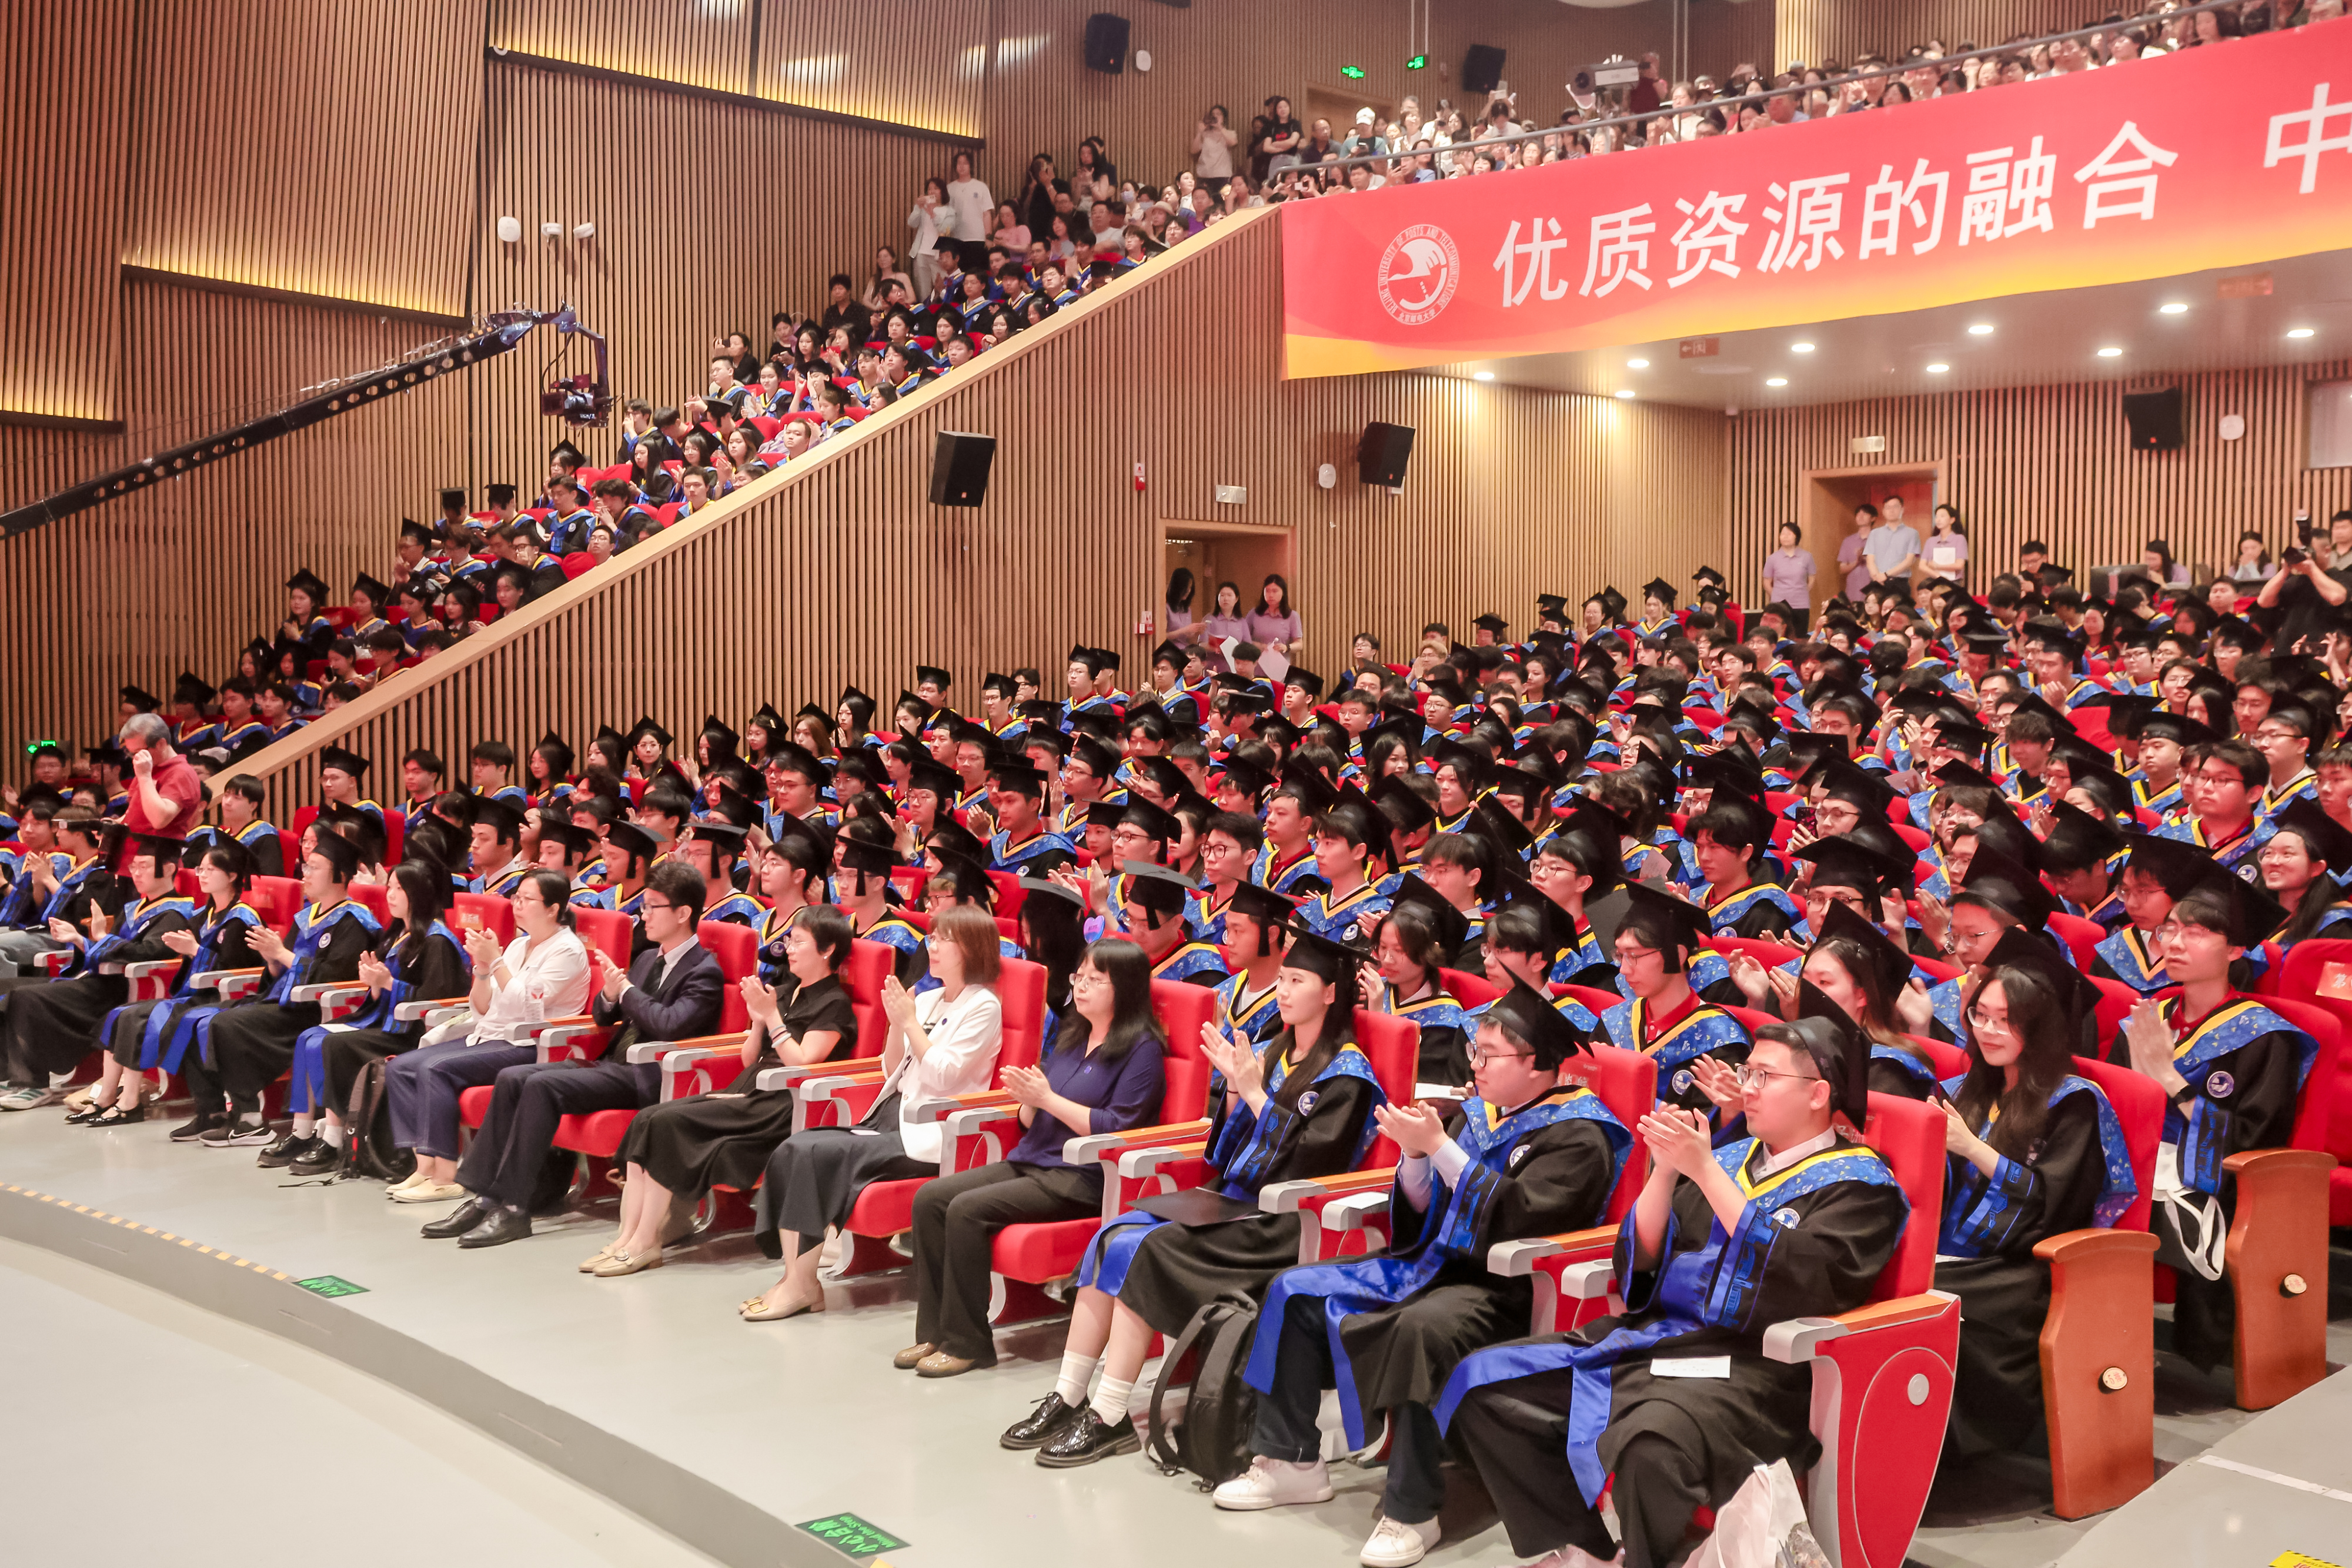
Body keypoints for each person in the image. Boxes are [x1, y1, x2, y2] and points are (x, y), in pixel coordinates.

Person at [1436, 1012, 1909, 1568]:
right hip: (1655, 1342)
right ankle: (1588, 1547)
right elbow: (1642, 1268)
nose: (1745, 1090)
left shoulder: (1862, 1186)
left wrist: (1704, 1171)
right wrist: (1662, 1173)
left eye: (1763, 1077)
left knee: (1650, 1446)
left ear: (1818, 1094)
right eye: (1747, 1072)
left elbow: (1802, 1281)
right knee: (1484, 1386)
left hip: (1753, 1370)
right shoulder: (1730, 1158)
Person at [1217, 976, 1627, 1568]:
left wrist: (1438, 1147)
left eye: (1489, 1055)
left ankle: (1412, 1510)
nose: (1476, 1065)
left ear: (1537, 1064)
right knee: (1294, 1289)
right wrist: (1414, 1155)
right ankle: (1288, 1461)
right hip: (1429, 1264)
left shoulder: (1579, 1135)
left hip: (1502, 1288)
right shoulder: (1479, 1115)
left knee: (1419, 1330)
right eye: (1473, 1051)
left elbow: (1518, 1218)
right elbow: (1418, 1213)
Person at [1004, 924, 1386, 1467]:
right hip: (1231, 1199)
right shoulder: (1276, 1052)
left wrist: (1252, 1091)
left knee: (1143, 1250)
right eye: (1281, 977)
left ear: (1329, 993)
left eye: (1297, 980)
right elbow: (1229, 1150)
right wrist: (1234, 1090)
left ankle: (1111, 1414)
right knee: (1113, 1233)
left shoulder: (1348, 1074)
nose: (1282, 989)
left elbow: (1310, 1167)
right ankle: (1069, 1394)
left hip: (1281, 1223)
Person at [898, 936, 1167, 1376]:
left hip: (1080, 1175)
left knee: (966, 1210)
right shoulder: (1072, 1035)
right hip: (1032, 1157)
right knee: (931, 1198)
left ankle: (969, 1343)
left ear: (1126, 987)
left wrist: (1047, 1098)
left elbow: (1118, 1127)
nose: (1080, 986)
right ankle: (935, 1331)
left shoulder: (1142, 1051)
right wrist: (1027, 1098)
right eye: (1079, 976)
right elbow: (1030, 1116)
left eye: (1095, 979)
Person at [425, 861, 723, 1248]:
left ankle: (515, 1209)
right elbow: (603, 1015)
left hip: (653, 1076)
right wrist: (612, 994)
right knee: (514, 1077)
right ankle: (485, 1197)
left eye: (653, 907)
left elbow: (669, 1024)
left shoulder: (705, 970)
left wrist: (627, 992)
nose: (644, 915)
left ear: (683, 913)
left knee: (542, 1084)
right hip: (614, 1063)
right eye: (644, 906)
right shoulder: (649, 957)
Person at [743, 904, 1005, 1317]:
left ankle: (800, 1284)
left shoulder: (984, 1006)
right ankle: (797, 1279)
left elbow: (943, 1075)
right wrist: (896, 1024)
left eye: (943, 940)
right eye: (931, 937)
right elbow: (891, 1067)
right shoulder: (930, 996)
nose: (931, 946)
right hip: (890, 1113)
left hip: (933, 1129)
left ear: (971, 948)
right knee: (797, 1145)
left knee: (816, 1153)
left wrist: (910, 1023)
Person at [1934, 934, 2136, 1459]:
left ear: (2039, 1026)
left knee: (1928, 1296)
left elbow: (2055, 1201)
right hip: (1957, 1249)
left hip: (2024, 1264)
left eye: (2007, 1020)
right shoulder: (1964, 1090)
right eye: (1981, 1016)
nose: (1990, 1031)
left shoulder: (2075, 1104)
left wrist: (1971, 1148)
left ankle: (1952, 1448)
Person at [586, 903, 861, 1278]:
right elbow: (751, 1059)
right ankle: (627, 1237)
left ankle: (645, 1243)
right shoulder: (783, 991)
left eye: (798, 942)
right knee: (648, 1119)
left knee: (667, 1123)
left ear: (827, 950)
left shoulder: (835, 1004)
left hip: (782, 1106)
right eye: (789, 940)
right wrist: (756, 1021)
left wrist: (773, 1018)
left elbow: (802, 1064)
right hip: (750, 1089)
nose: (789, 949)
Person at [2114, 880, 2318, 1372]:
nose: (2177, 943)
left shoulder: (2264, 1036)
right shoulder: (2151, 1016)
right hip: (2144, 1157)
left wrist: (2168, 1079)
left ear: (2236, 949)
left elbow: (2254, 1138)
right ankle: (2097, 1338)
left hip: (2216, 1177)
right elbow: (2114, 1105)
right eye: (2172, 929)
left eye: (2198, 931)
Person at [383, 855, 597, 1201]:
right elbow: (483, 1008)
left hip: (531, 1045)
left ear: (553, 909)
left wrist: (495, 962)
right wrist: (482, 970)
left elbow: (527, 1009)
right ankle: (424, 1168)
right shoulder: (516, 945)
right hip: (490, 1035)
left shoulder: (568, 951)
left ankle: (447, 1177)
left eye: (527, 900)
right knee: (401, 1066)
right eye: (516, 898)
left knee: (435, 1069)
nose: (518, 905)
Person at [179, 831, 383, 1144]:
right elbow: (280, 970)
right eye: (305, 866)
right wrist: (272, 960)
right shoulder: (308, 917)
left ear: (340, 875)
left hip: (313, 1012)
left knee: (225, 1024)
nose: (305, 873)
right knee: (196, 1019)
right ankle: (216, 1111)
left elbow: (336, 976)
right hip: (282, 1001)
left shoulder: (355, 921)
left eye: (314, 867)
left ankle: (251, 1119)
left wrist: (283, 955)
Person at [272, 858, 472, 1175]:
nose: (390, 895)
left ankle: (334, 1139)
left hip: (412, 1034)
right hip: (385, 1022)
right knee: (310, 1036)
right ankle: (302, 1131)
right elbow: (383, 996)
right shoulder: (397, 936)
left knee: (335, 1046)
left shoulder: (437, 942)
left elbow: (438, 1001)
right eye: (389, 887)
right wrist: (374, 985)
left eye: (399, 889)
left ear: (419, 894)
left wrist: (388, 983)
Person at [1, 834, 198, 1115]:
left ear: (168, 869)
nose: (137, 873)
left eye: (144, 866)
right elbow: (106, 947)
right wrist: (82, 940)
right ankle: (8, 1077)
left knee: (26, 997)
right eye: (134, 867)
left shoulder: (177, 913)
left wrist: (93, 940)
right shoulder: (135, 908)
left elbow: (146, 954)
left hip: (119, 990)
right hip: (97, 980)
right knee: (6, 987)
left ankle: (33, 1084)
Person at [1759, 522, 1815, 633]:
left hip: (1801, 604)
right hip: (1779, 605)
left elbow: (1812, 579)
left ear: (1796, 536)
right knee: (1779, 635)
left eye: (1789, 534)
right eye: (1782, 534)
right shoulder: (1772, 559)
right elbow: (1767, 582)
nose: (1785, 537)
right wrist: (1777, 596)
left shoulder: (1807, 557)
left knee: (1800, 636)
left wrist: (1801, 592)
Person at [1865, 495, 1922, 588]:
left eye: (1895, 507)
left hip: (1899, 582)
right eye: (1888, 508)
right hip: (1877, 581)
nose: (1891, 511)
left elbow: (1910, 561)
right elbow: (1870, 560)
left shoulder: (1912, 533)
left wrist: (1886, 575)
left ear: (1902, 509)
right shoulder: (1874, 533)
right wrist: (1877, 576)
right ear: (1883, 511)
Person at [1247, 574, 1303, 660]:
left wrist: (1286, 647)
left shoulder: (1292, 616)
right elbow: (1243, 638)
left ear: (1283, 592)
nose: (1271, 595)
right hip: (1256, 665)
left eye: (1275, 591)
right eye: (1267, 591)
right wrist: (1261, 646)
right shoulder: (1254, 614)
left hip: (1281, 665)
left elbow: (1299, 644)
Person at [1917, 503, 1969, 587]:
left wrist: (1937, 566)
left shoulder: (1959, 539)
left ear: (1952, 520)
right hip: (1934, 580)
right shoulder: (1931, 541)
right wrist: (1938, 576)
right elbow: (1922, 565)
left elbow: (1960, 565)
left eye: (1942, 516)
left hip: (1954, 582)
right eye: (1937, 517)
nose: (1938, 520)